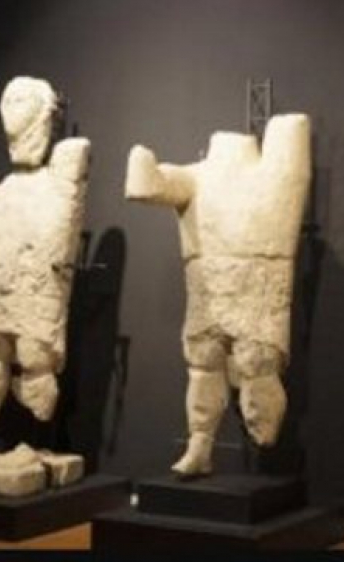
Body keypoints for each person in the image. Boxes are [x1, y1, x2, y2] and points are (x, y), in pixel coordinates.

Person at [125, 114, 311, 477]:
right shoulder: (195, 176)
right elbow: (146, 186)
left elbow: (146, 184)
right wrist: (142, 166)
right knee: (203, 364)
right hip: (208, 294)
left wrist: (143, 169)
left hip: (257, 293)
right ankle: (200, 445)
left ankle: (264, 440)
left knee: (257, 366)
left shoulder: (273, 172)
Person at [0, 77, 90, 427]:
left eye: (21, 101)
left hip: (39, 290)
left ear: (45, 114)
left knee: (34, 357)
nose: (12, 110)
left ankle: (37, 425)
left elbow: (72, 171)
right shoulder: (7, 189)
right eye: (8, 102)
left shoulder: (61, 176)